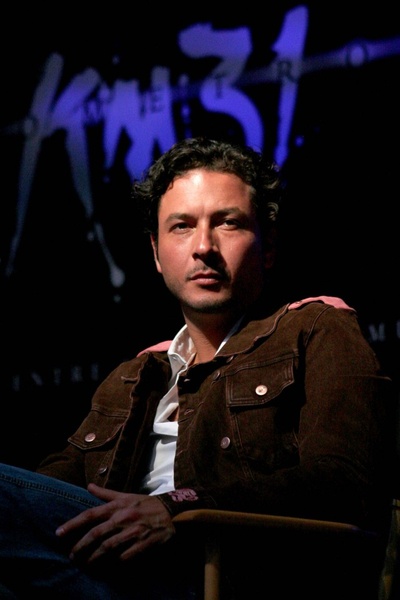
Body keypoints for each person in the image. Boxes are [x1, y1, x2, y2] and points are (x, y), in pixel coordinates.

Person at [0, 136, 396, 599]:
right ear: (156, 252)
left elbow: (343, 485)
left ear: (268, 246)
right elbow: (42, 495)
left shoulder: (315, 329)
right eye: (182, 226)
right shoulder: (133, 376)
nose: (204, 246)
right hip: (100, 572)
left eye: (228, 223)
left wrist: (176, 508)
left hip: (225, 577)